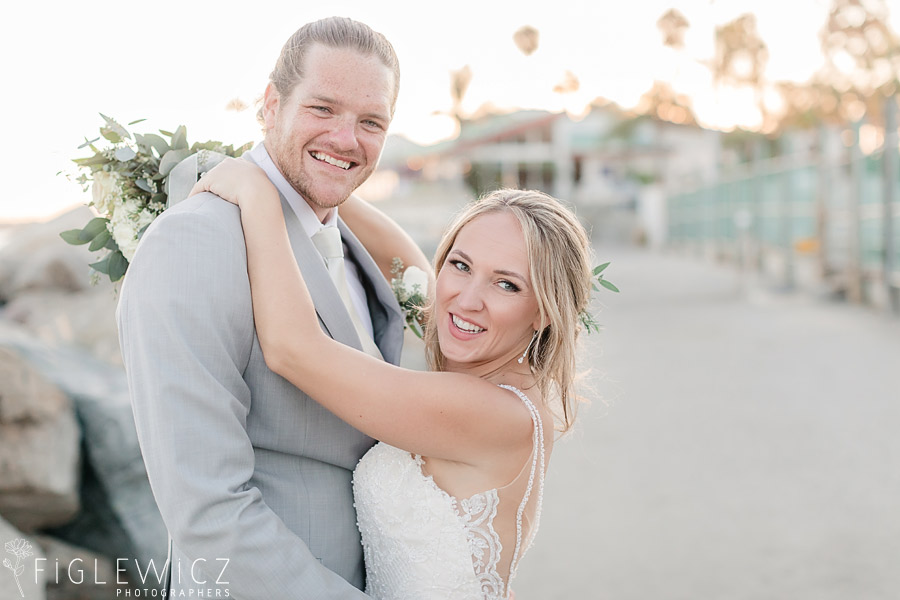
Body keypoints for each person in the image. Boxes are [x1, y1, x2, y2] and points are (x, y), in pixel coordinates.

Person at [188, 156, 595, 599]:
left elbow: (293, 350)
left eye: (507, 285)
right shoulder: (491, 359)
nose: (468, 299)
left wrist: (258, 194)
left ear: (545, 311)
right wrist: (299, 176)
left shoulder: (493, 412)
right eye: (460, 265)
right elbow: (405, 263)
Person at [116, 17, 419, 598]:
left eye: (371, 122)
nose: (346, 139)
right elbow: (208, 514)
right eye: (323, 109)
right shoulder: (195, 243)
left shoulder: (352, 244)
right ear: (271, 105)